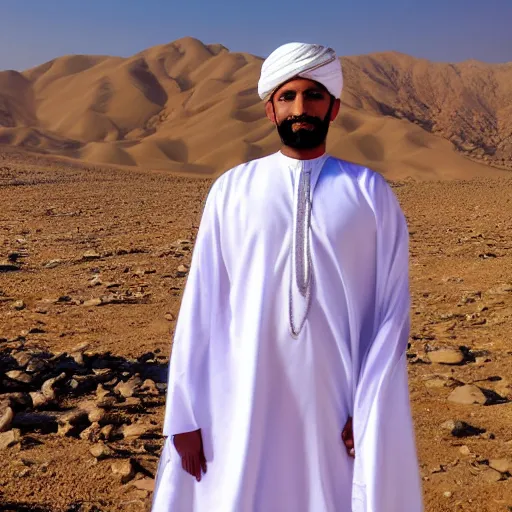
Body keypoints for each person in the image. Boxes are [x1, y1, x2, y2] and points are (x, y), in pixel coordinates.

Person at [151, 42, 423, 512]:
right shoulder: (231, 191)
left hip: (337, 401)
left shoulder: (370, 193)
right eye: (288, 96)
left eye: (314, 96)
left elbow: (392, 311)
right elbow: (201, 302)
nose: (301, 108)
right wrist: (184, 412)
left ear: (334, 107)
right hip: (243, 393)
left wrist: (369, 409)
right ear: (269, 109)